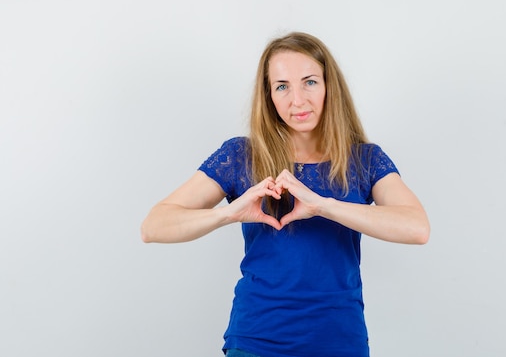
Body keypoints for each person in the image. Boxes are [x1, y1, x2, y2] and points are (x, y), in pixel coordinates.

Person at [141, 31, 430, 357]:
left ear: (328, 86)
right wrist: (228, 212)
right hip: (257, 341)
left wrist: (324, 206)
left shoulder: (364, 159)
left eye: (309, 82)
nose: (298, 100)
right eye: (282, 86)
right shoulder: (241, 155)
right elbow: (154, 226)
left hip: (340, 342)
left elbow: (417, 227)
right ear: (269, 97)